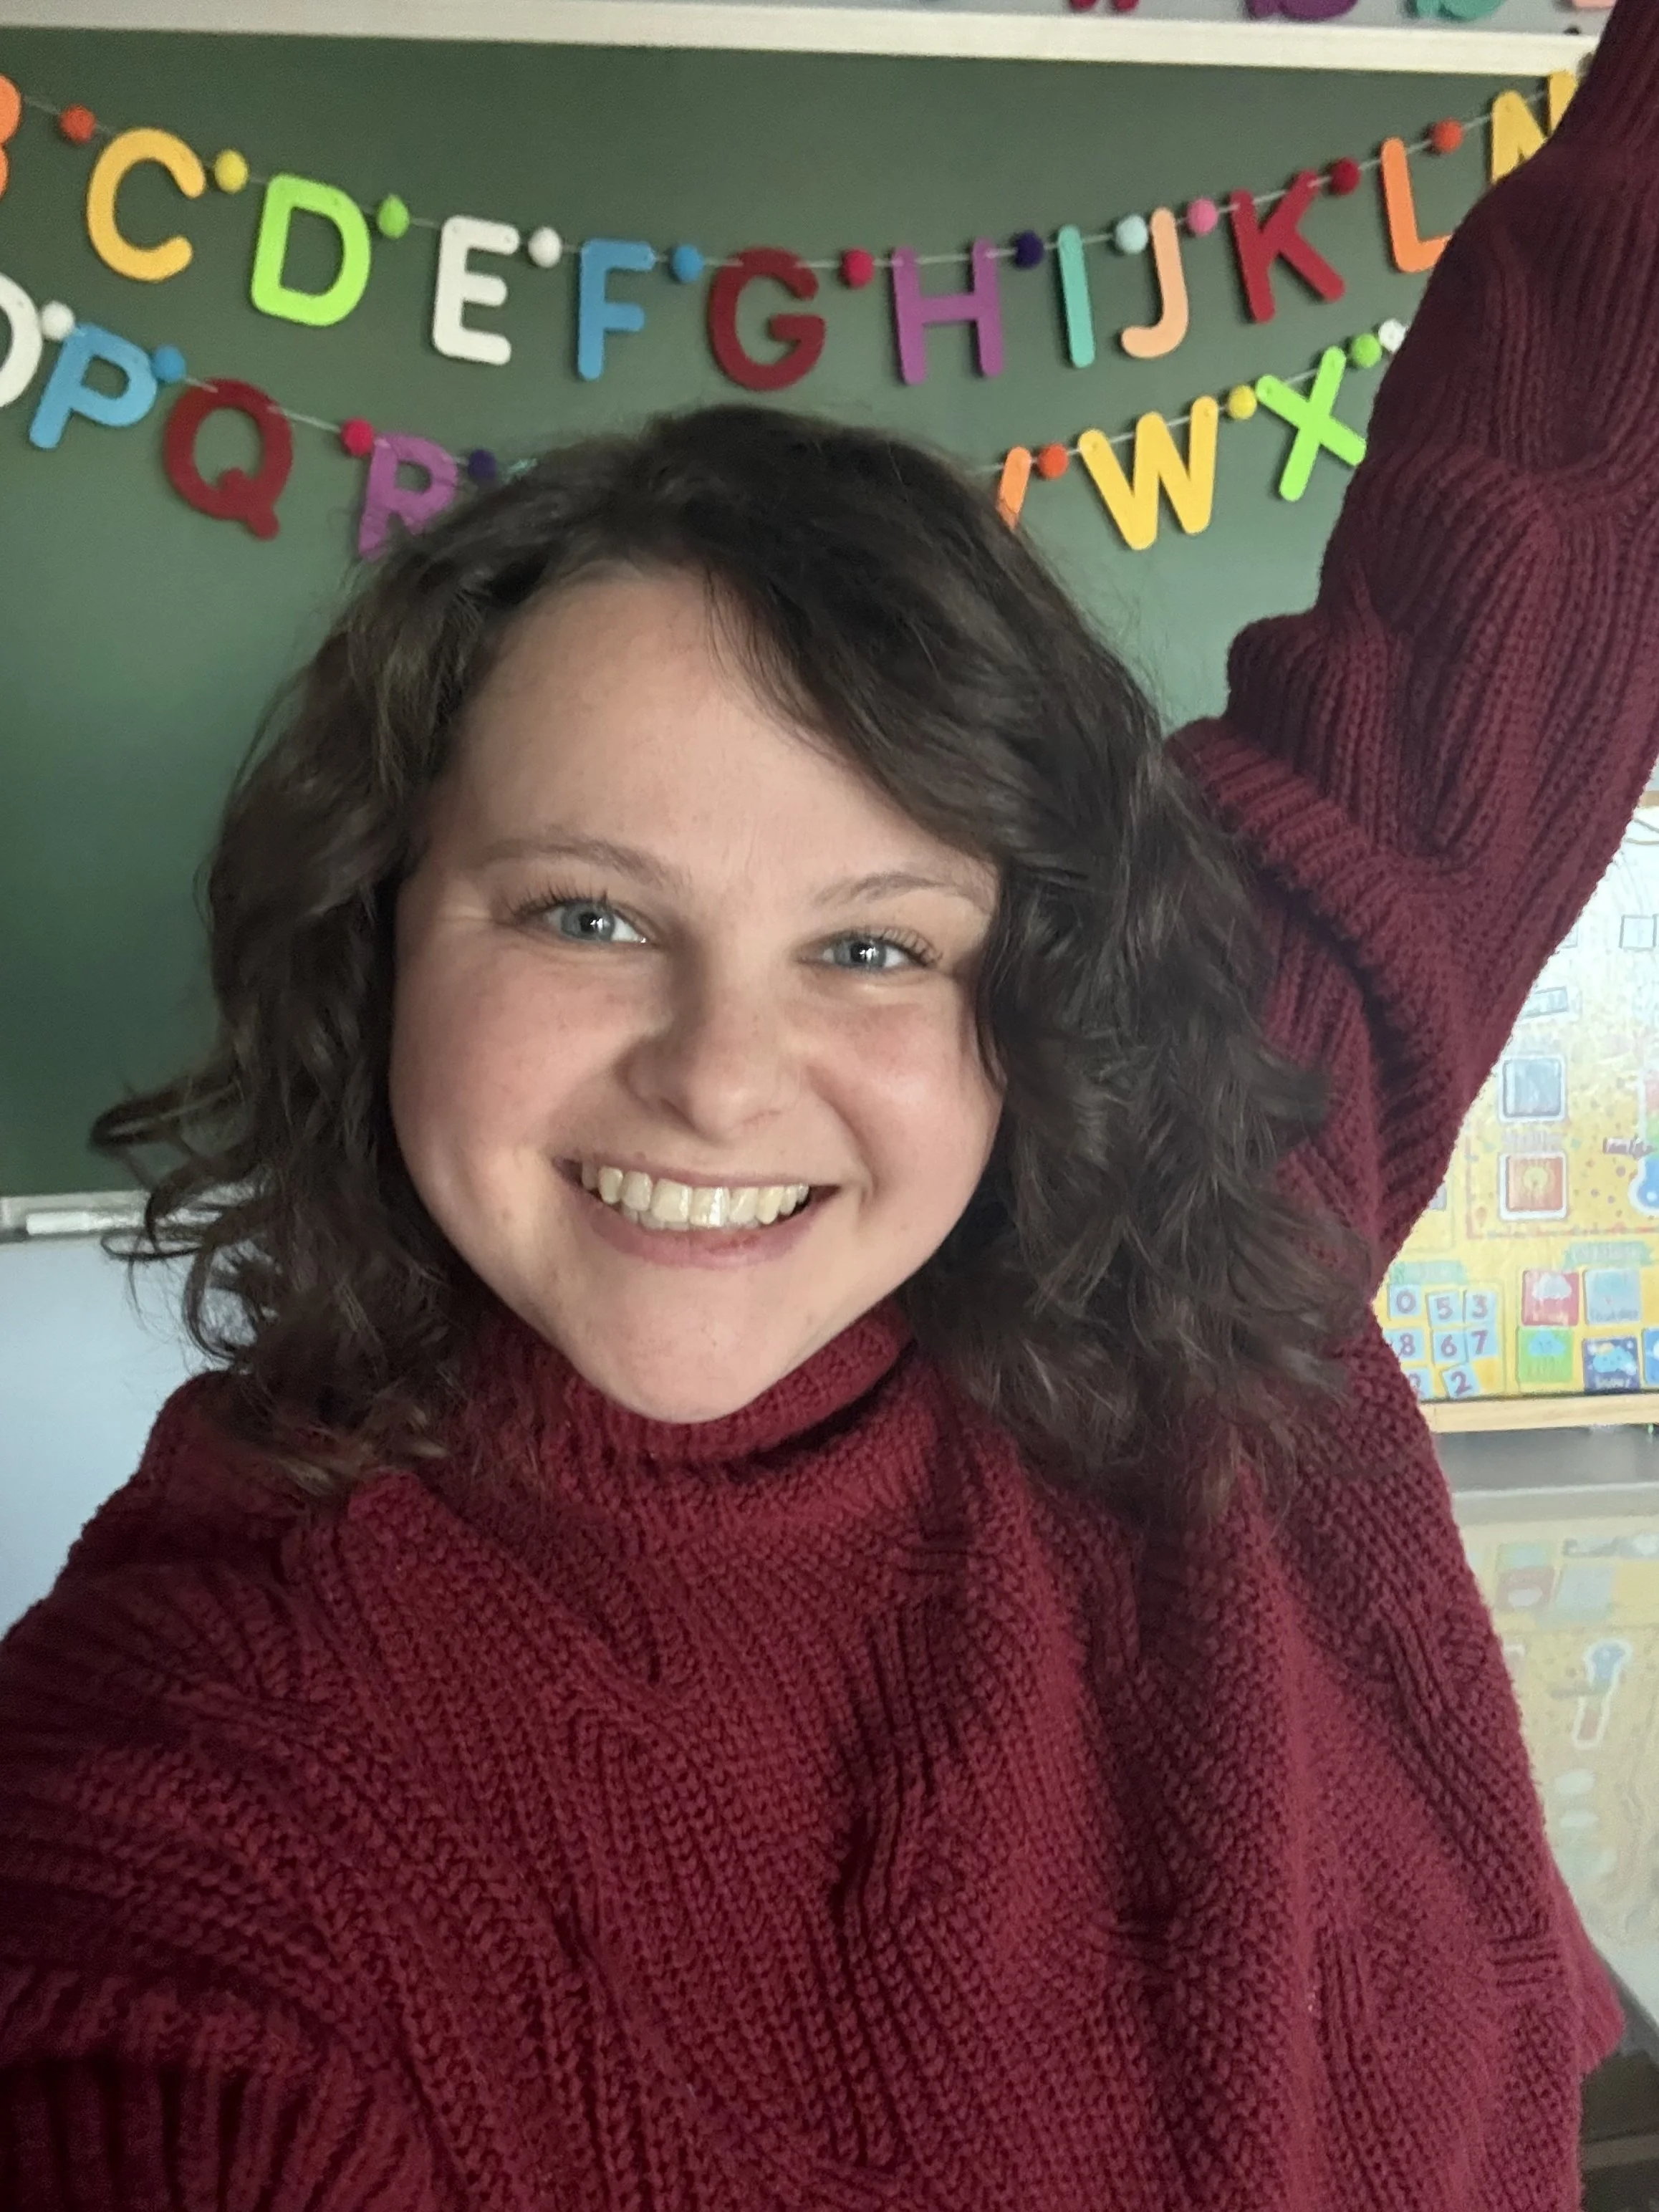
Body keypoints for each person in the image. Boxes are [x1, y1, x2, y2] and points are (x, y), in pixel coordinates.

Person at [1, 3, 1654, 2201]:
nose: (716, 1076)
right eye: (585, 916)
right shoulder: (200, 1787)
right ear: (378, 928)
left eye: (873, 943)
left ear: (1037, 986)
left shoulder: (1203, 1158)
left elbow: (1546, 498)